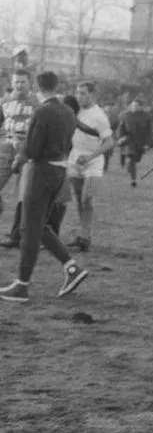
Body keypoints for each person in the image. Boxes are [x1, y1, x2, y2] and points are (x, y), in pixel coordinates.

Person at [0, 71, 90, 303]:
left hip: (41, 170)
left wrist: (18, 161)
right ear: (56, 85)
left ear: (38, 87)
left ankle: (22, 285)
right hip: (60, 170)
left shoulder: (43, 111)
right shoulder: (68, 111)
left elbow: (33, 146)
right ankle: (71, 268)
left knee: (28, 228)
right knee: (38, 225)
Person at [64, 81, 113, 253]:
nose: (79, 96)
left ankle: (86, 236)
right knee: (78, 199)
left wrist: (91, 156)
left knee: (88, 199)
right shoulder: (74, 110)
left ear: (92, 95)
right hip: (75, 159)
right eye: (78, 92)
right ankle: (84, 235)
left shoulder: (99, 116)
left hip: (93, 161)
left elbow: (109, 143)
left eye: (83, 93)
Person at [0, 69, 36, 249]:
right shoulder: (4, 102)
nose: (19, 85)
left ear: (30, 83)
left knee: (24, 195)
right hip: (6, 148)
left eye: (23, 82)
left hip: (27, 152)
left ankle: (16, 235)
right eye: (16, 82)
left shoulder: (37, 103)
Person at [116, 98, 153, 188]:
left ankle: (129, 167)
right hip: (129, 140)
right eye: (133, 105)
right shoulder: (125, 115)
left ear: (141, 107)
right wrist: (120, 138)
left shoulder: (147, 116)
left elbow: (149, 132)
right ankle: (133, 179)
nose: (134, 107)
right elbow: (121, 128)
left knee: (135, 160)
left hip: (140, 142)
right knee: (130, 158)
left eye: (136, 106)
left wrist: (148, 144)